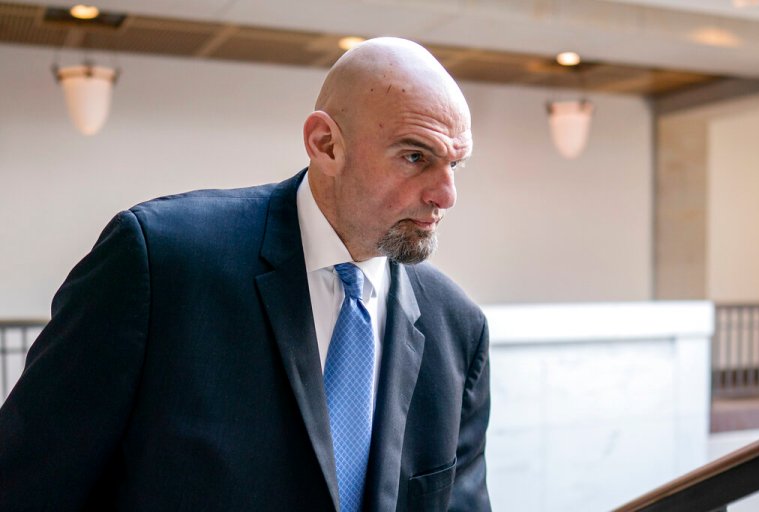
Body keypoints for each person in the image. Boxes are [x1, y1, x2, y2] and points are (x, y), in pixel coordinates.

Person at [0, 37, 490, 511]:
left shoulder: (458, 329)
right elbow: (28, 486)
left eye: (455, 164)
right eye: (415, 157)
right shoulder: (160, 262)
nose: (446, 196)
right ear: (325, 145)